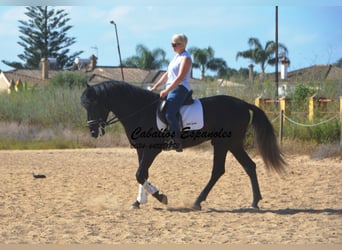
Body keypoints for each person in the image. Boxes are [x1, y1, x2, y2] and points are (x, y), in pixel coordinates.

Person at [150, 33, 192, 152]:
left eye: (174, 44)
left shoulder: (186, 58)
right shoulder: (176, 57)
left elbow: (179, 78)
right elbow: (167, 74)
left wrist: (167, 90)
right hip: (171, 88)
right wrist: (156, 87)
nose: (172, 47)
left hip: (180, 88)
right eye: (171, 44)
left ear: (182, 45)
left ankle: (177, 141)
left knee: (169, 113)